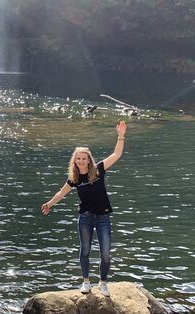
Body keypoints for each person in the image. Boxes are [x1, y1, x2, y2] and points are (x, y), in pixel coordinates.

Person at [41, 121, 127, 297]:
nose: (81, 161)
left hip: (103, 217)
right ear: (75, 161)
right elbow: (61, 193)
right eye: (78, 158)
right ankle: (86, 281)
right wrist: (49, 203)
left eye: (84, 158)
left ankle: (103, 283)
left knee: (105, 254)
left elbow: (117, 154)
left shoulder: (98, 170)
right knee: (85, 250)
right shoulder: (74, 178)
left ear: (89, 160)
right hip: (85, 217)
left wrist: (121, 136)